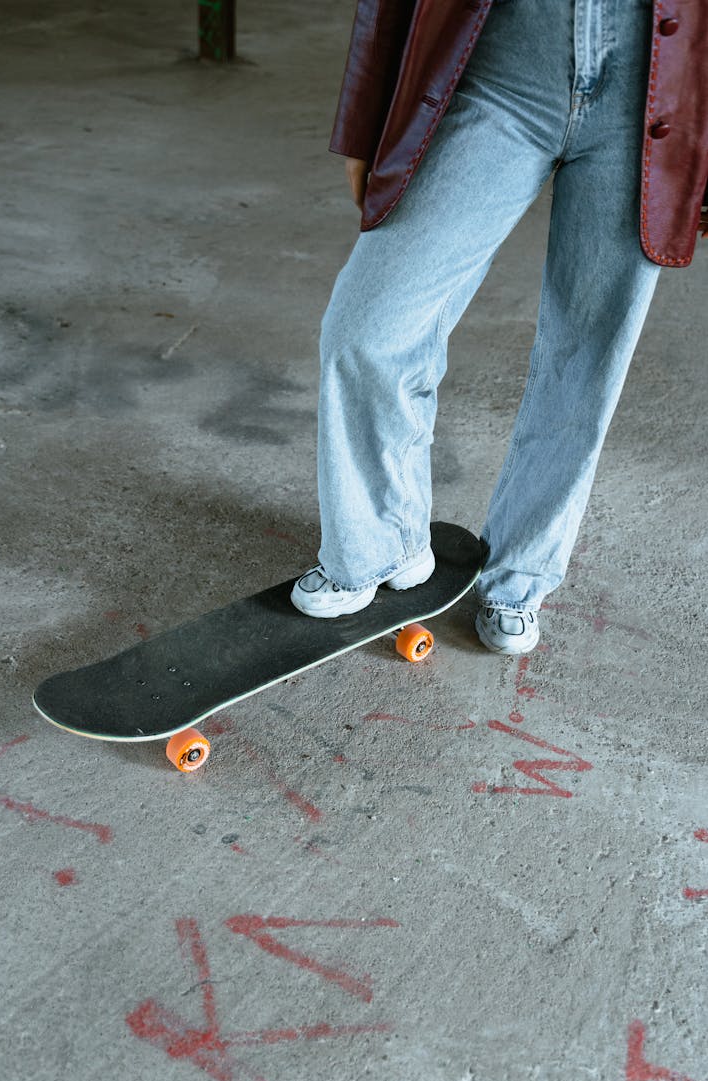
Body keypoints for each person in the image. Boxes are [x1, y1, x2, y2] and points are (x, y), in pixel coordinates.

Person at [291, 0, 708, 654]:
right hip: (503, 71)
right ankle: (382, 540)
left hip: (653, 91)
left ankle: (521, 574)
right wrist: (362, 115)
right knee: (370, 323)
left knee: (586, 359)